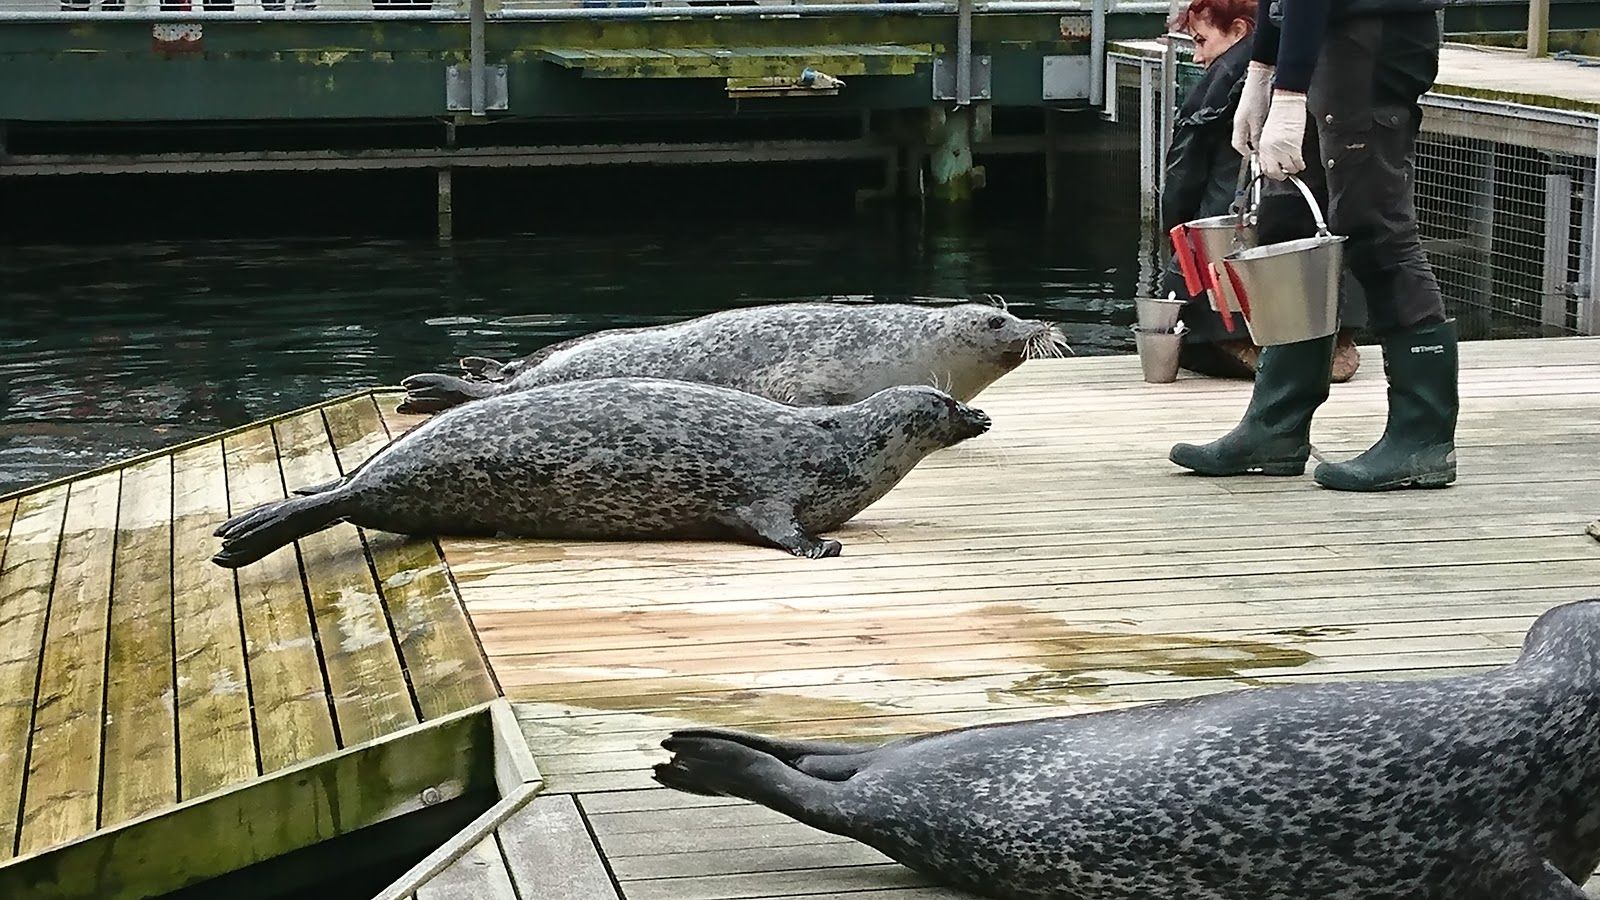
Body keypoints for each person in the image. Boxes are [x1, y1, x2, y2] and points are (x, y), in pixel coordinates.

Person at [1168, 0, 1457, 492]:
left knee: (1376, 229)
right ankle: (1275, 426)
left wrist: (1286, 91)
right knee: (1287, 226)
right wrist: (1262, 71)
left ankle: (1423, 436)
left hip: (1372, 37)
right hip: (1318, 36)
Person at [1160, 0, 1362, 382]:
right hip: (1323, 275)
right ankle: (1338, 339)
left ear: (1237, 31)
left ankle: (1244, 345)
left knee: (1186, 323)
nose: (1198, 56)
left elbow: (1181, 183)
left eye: (1201, 41)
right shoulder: (1315, 68)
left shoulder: (1221, 82)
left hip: (1238, 276)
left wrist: (1177, 241)